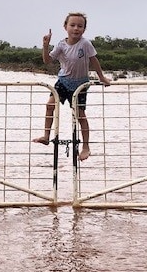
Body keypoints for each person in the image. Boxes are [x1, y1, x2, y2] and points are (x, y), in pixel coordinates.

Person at [32, 12, 111, 161]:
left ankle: (86, 146)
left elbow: (94, 61)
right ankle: (46, 136)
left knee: (80, 115)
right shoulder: (61, 44)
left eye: (80, 26)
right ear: (65, 27)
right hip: (63, 81)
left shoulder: (85, 44)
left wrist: (102, 77)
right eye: (72, 25)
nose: (76, 28)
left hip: (80, 84)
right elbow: (47, 61)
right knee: (50, 105)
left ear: (84, 29)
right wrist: (45, 46)